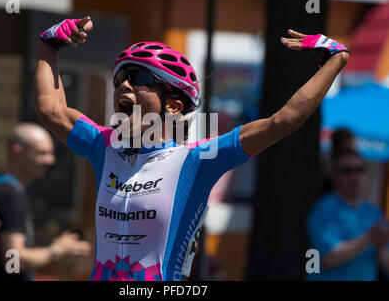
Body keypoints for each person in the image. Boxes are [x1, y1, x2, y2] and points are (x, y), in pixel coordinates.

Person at [35, 17, 350, 281]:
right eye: (121, 76)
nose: (125, 85)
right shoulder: (104, 147)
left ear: (172, 106)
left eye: (141, 77)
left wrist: (335, 59)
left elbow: (283, 121)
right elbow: (51, 110)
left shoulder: (198, 160)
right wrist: (50, 43)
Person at [0, 123, 91, 281]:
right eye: (41, 153)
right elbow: (12, 263)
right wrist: (56, 250)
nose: (50, 160)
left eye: (51, 153)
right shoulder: (10, 195)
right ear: (17, 150)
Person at [307, 149, 389, 280]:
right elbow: (327, 259)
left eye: (359, 169)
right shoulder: (323, 209)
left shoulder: (374, 213)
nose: (354, 176)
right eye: (347, 170)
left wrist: (381, 246)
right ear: (334, 176)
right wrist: (368, 238)